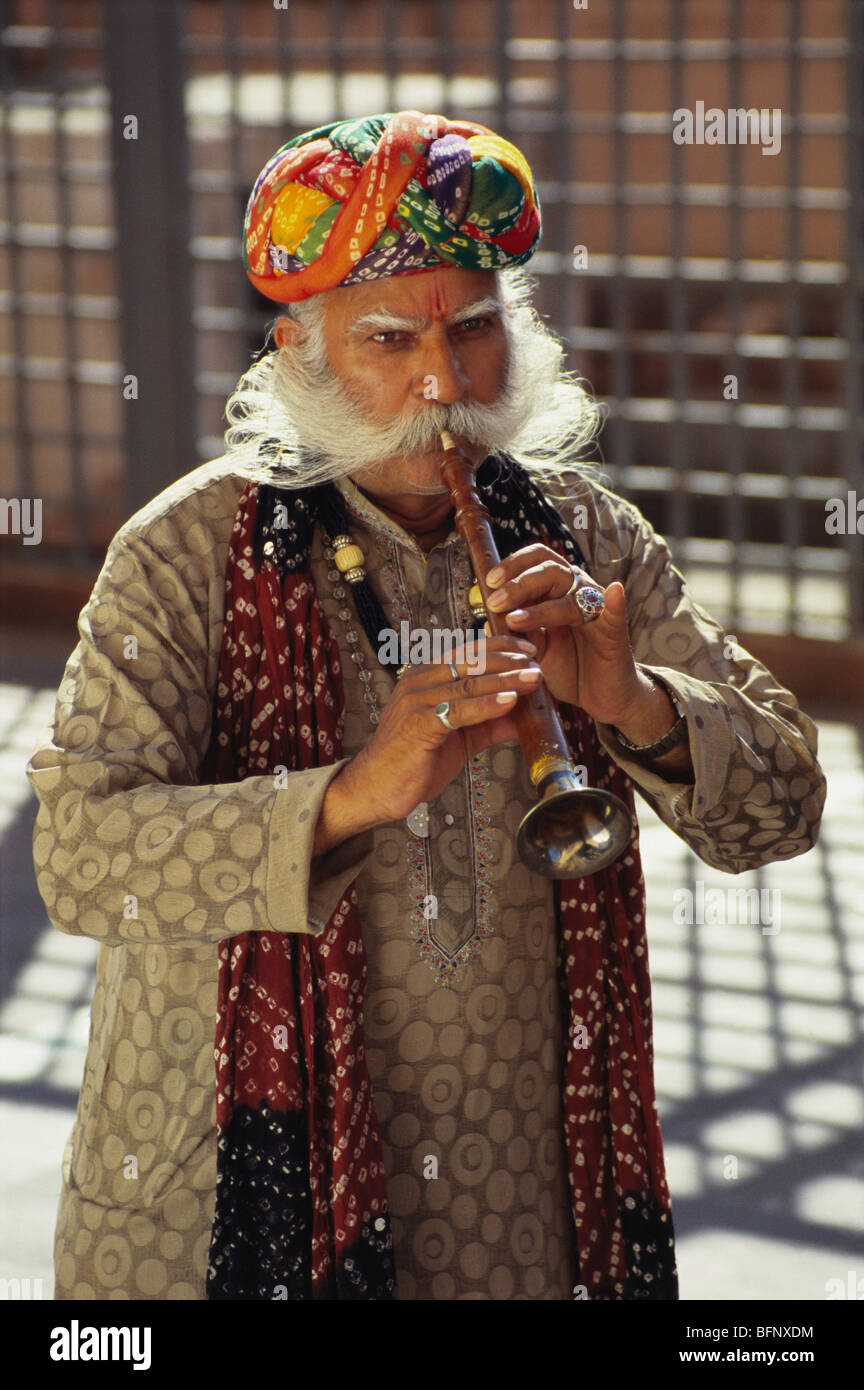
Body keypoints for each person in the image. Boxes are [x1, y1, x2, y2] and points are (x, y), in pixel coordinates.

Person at [26, 110, 826, 1302]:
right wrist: (349, 795)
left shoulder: (588, 536)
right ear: (296, 348)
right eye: (389, 339)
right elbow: (81, 856)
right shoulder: (183, 550)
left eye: (475, 331)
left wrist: (632, 697)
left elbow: (785, 809)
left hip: (514, 1204)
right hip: (222, 1194)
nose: (442, 383)